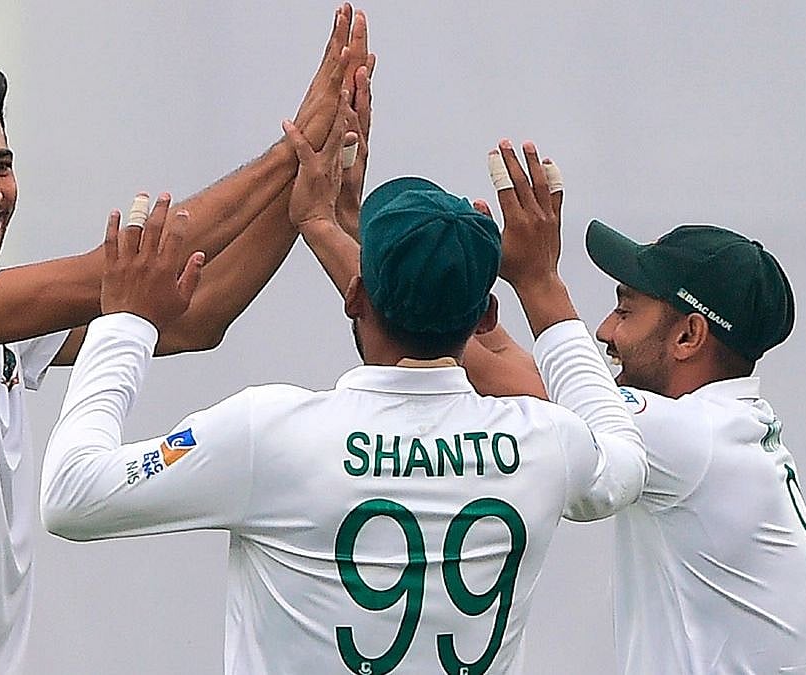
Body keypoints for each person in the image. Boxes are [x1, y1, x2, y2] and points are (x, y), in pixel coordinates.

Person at [0, 7, 374, 672]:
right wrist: (291, 150)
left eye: (0, 163)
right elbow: (122, 271)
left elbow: (193, 318)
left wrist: (304, 202)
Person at [38, 97, 648, 673]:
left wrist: (124, 322)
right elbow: (622, 462)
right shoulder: (546, 442)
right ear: (487, 315)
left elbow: (72, 496)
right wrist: (540, 281)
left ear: (356, 294)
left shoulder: (269, 433)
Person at [463, 145, 806, 673]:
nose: (605, 331)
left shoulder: (694, 440)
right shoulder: (721, 430)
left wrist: (534, 281)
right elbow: (529, 375)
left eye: (624, 308)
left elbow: (512, 381)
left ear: (688, 334)